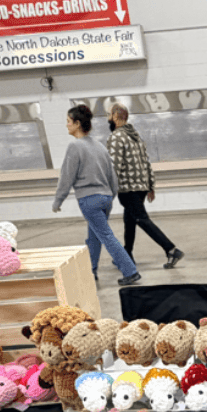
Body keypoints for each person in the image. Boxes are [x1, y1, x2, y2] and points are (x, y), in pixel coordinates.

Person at [53, 105, 141, 286]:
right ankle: (91, 271)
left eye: (69, 121)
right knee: (94, 236)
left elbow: (66, 177)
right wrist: (109, 195)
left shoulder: (75, 146)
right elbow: (112, 175)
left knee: (106, 236)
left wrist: (58, 200)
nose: (66, 125)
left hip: (89, 199)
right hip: (105, 198)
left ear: (77, 124)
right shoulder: (99, 145)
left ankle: (130, 271)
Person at [106, 104, 185, 269]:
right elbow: (146, 162)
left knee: (141, 219)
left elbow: (114, 165)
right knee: (129, 220)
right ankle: (126, 255)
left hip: (128, 188)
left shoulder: (116, 136)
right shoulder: (135, 136)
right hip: (141, 186)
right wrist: (150, 185)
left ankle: (171, 249)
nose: (107, 117)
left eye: (109, 114)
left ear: (115, 116)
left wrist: (108, 187)